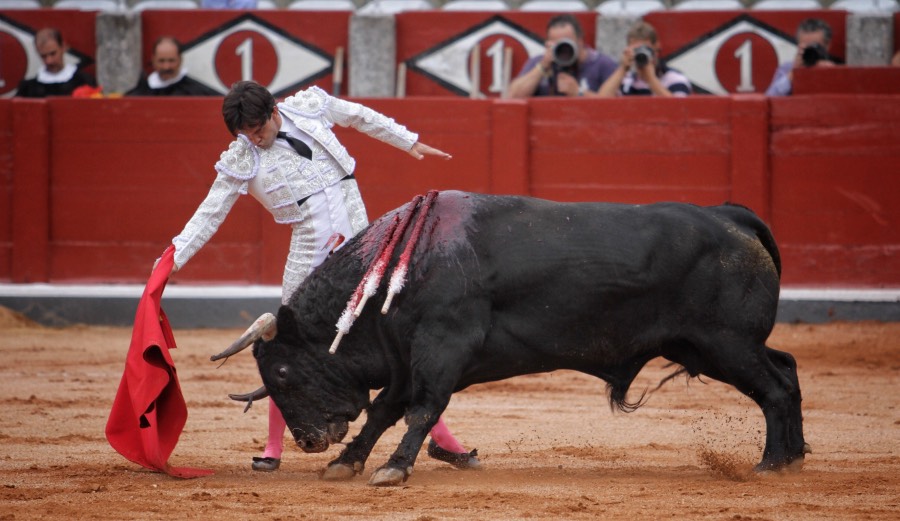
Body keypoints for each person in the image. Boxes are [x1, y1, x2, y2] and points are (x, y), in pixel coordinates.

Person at [160, 80, 481, 473]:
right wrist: (173, 257)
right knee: (285, 351)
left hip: (363, 253)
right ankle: (273, 447)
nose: (255, 141)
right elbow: (210, 211)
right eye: (247, 135)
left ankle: (442, 441)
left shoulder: (308, 106)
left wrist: (408, 141)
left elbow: (359, 116)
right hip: (310, 259)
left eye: (259, 131)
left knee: (400, 345)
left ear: (275, 113)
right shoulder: (243, 158)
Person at [507, 13, 617, 98]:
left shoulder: (602, 64)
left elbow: (614, 107)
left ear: (580, 41)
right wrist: (542, 67)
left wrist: (579, 93)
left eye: (567, 44)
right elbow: (511, 97)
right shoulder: (540, 63)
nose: (563, 50)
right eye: (558, 45)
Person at [596, 21, 691, 98]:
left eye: (645, 49)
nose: (641, 54)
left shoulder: (675, 79)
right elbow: (601, 103)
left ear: (656, 48)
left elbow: (679, 111)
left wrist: (651, 79)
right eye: (636, 50)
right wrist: (622, 68)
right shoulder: (627, 80)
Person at [15, 28, 97, 98]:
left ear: (63, 47)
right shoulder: (27, 89)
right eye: (43, 56)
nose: (49, 61)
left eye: (53, 54)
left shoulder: (84, 81)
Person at [127, 36, 219, 97]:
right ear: (153, 60)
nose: (166, 67)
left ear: (180, 60)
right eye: (161, 61)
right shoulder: (140, 92)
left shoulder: (197, 92)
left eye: (171, 61)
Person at [765, 18, 835, 97]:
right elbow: (770, 97)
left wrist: (831, 73)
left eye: (814, 46)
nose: (810, 51)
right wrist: (793, 73)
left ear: (827, 45)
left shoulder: (835, 69)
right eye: (806, 47)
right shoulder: (787, 68)